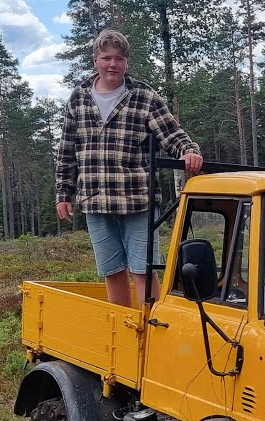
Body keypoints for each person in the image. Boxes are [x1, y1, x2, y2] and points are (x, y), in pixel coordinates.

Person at [55, 29, 204, 307]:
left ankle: (151, 333)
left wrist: (189, 152)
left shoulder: (144, 96)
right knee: (112, 272)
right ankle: (123, 334)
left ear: (126, 62)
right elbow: (66, 151)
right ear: (96, 60)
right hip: (95, 200)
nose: (113, 64)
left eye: (119, 59)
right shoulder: (78, 98)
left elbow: (173, 135)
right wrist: (63, 193)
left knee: (143, 271)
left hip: (137, 200)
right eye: (106, 58)